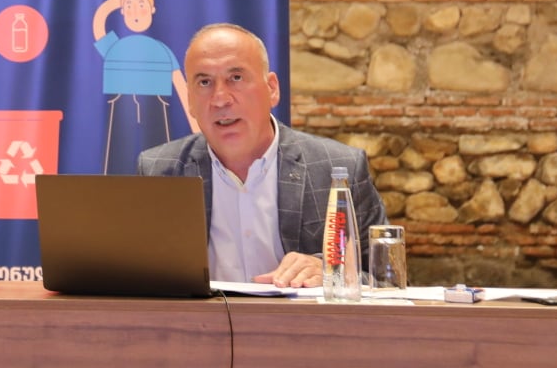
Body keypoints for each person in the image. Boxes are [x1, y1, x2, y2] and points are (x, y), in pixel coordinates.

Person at [137, 23, 385, 288]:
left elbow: (386, 282)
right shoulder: (160, 172)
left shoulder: (338, 168)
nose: (220, 99)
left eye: (236, 78)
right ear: (190, 101)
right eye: (204, 82)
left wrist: (333, 275)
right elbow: (140, 283)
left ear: (272, 88)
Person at [93, 0, 191, 174]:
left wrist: (198, 127)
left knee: (160, 163)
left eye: (142, 6)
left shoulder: (161, 50)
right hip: (121, 104)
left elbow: (180, 85)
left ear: (153, 10)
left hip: (156, 106)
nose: (136, 13)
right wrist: (119, 1)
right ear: (122, 11)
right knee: (117, 162)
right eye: (129, 7)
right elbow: (99, 22)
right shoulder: (116, 47)